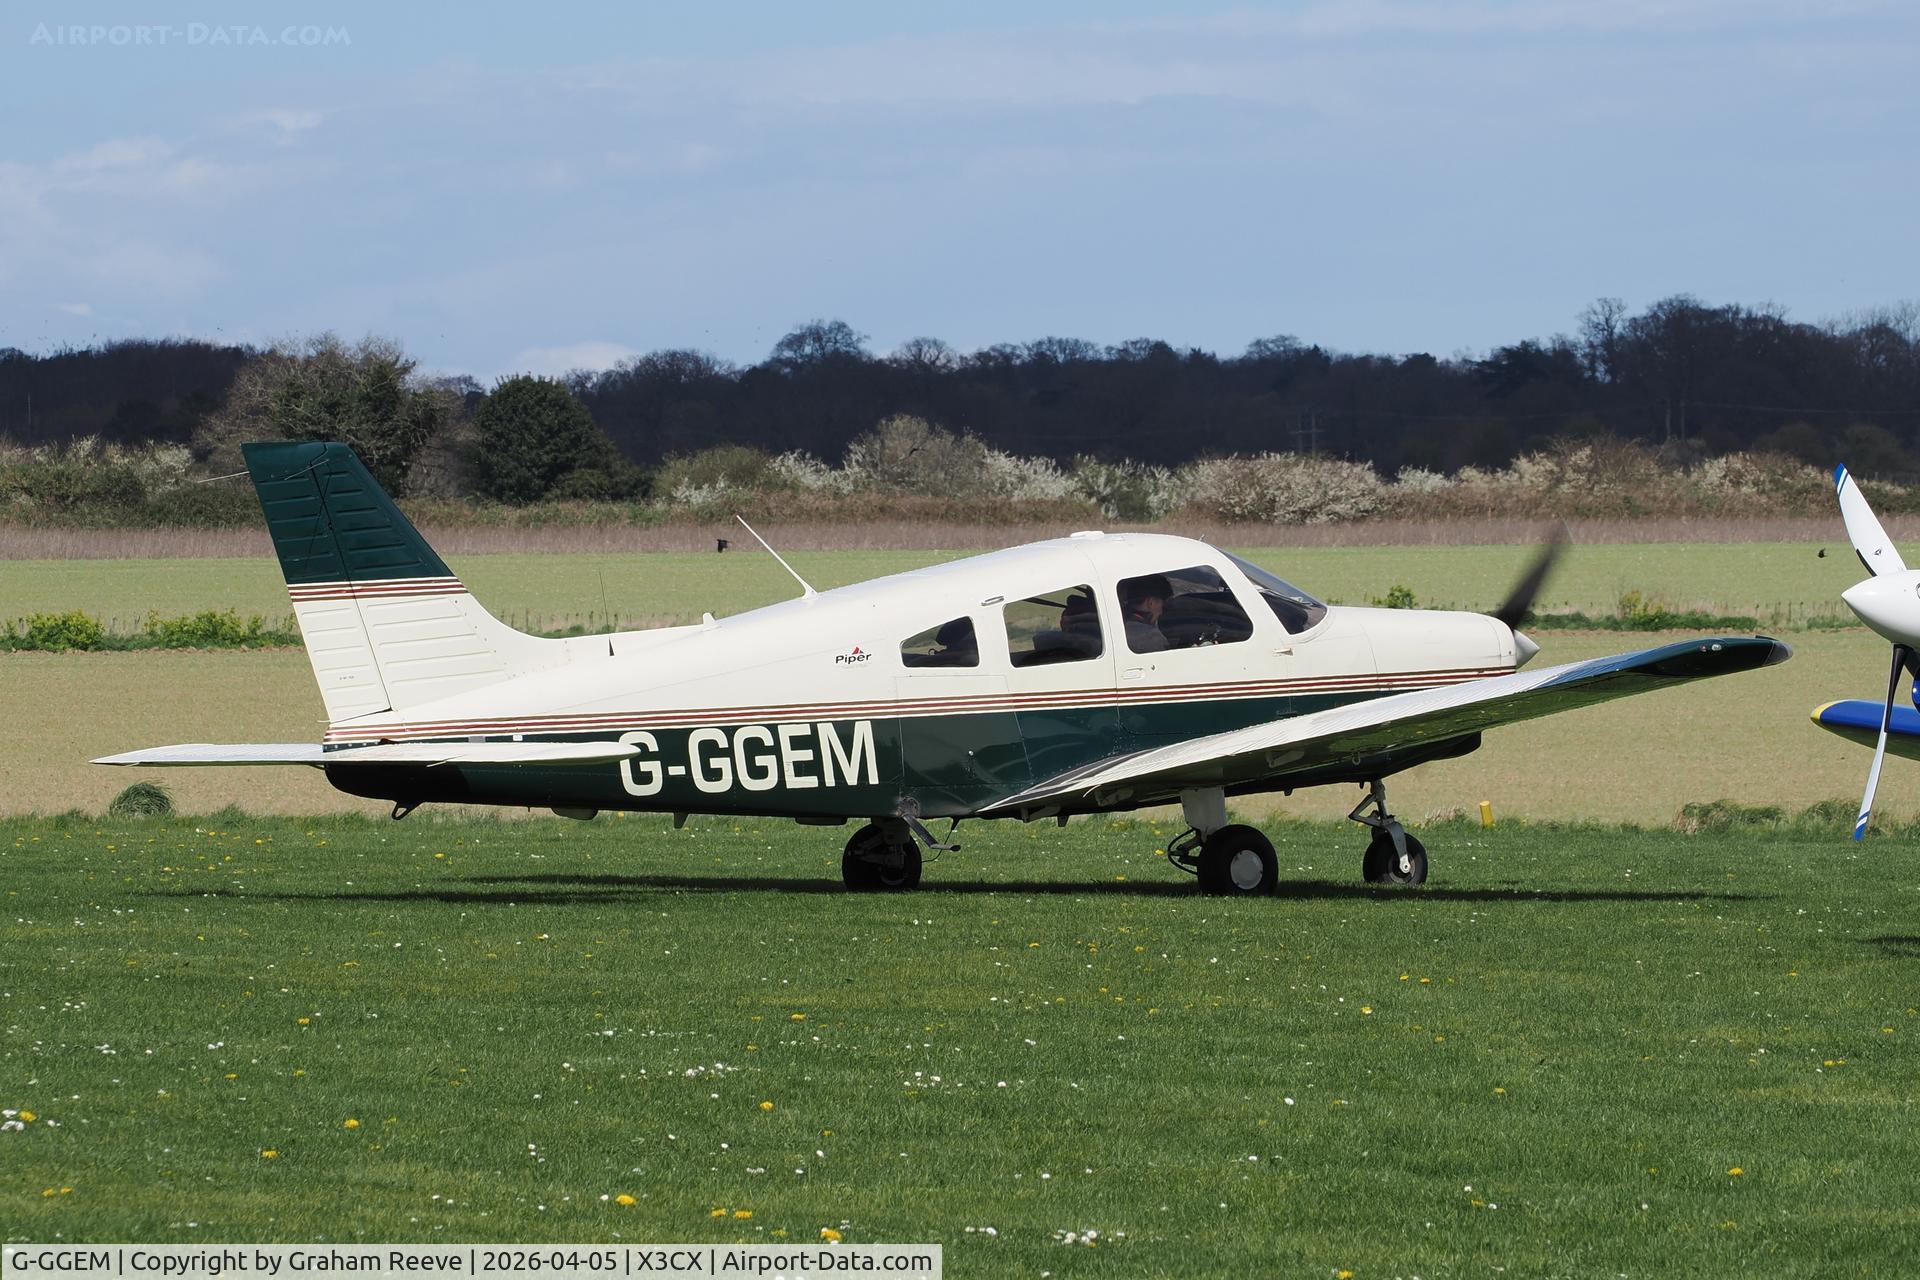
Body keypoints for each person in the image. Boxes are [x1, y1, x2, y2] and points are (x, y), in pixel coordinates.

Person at [1119, 574, 1171, 652]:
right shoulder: (1152, 638)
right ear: (1151, 603)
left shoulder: (1119, 624)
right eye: (1162, 606)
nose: (1161, 612)